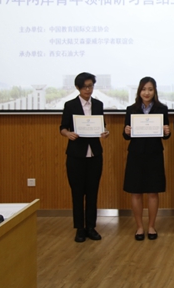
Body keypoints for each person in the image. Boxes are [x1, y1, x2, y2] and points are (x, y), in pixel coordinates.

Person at [59, 72, 109, 243]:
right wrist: (67, 134)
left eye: (91, 86)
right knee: (77, 192)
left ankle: (91, 227)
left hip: (95, 154)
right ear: (78, 87)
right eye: (85, 87)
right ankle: (80, 228)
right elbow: (62, 127)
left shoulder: (98, 104)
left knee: (93, 192)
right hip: (76, 155)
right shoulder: (70, 105)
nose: (88, 90)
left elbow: (102, 126)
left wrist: (106, 132)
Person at [122, 77, 171, 241]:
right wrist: (126, 131)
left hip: (154, 154)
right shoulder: (131, 109)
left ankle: (151, 226)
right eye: (144, 89)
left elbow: (165, 135)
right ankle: (139, 227)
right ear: (139, 91)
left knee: (153, 192)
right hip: (136, 155)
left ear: (154, 91)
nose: (147, 92)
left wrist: (167, 132)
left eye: (150, 89)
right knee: (136, 192)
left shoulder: (162, 109)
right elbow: (126, 135)